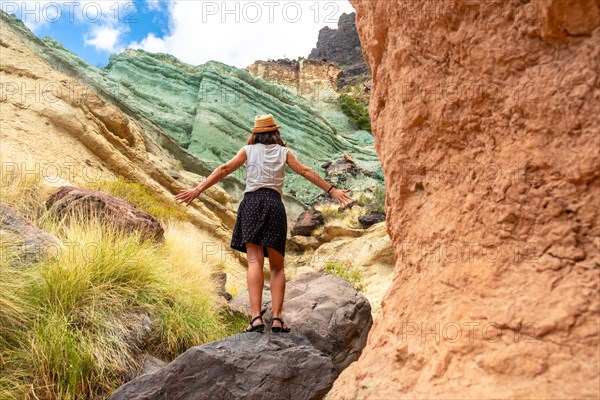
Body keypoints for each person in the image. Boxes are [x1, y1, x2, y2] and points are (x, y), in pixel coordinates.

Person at [175, 114, 353, 334]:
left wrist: (197, 190)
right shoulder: (284, 152)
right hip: (273, 205)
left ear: (255, 134)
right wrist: (332, 190)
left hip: (251, 204)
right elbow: (305, 171)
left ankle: (256, 318)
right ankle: (277, 319)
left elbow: (224, 169)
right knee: (277, 267)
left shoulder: (248, 151)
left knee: (254, 262)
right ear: (275, 133)